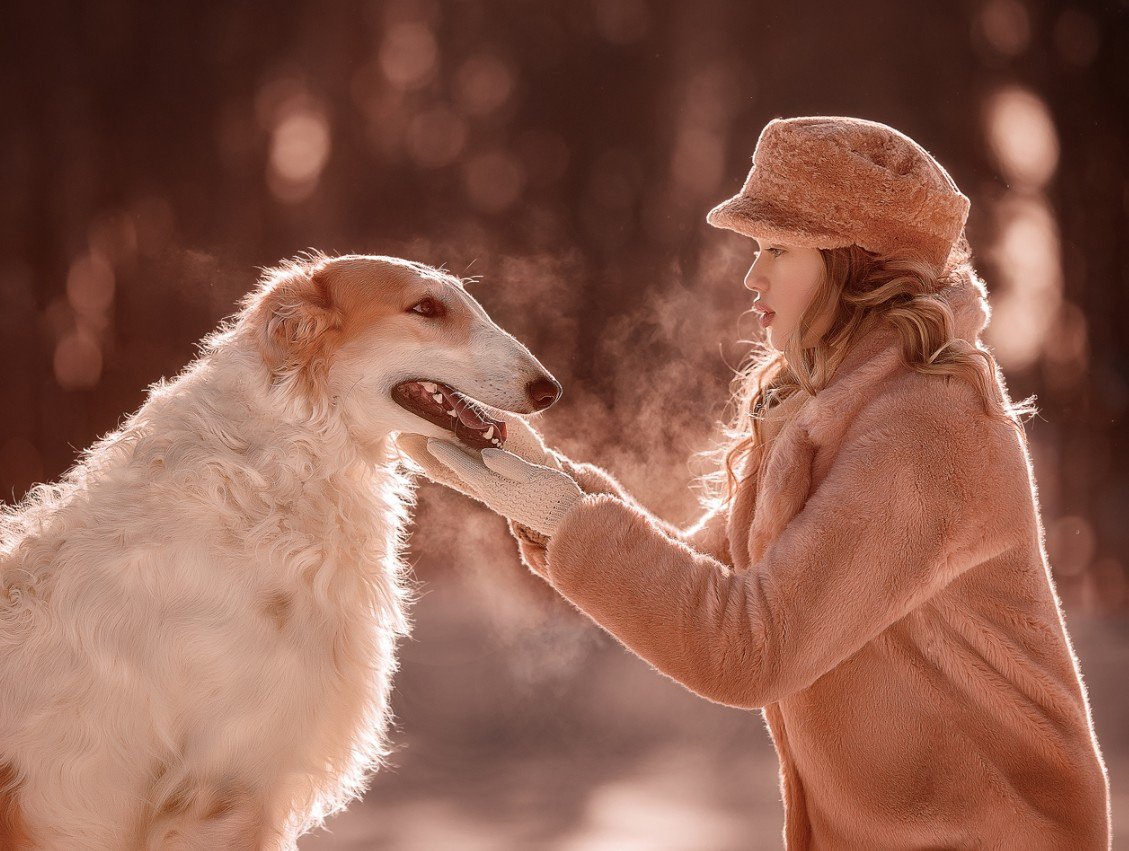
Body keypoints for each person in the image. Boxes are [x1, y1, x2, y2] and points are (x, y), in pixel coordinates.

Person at [397, 116, 1111, 849]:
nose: (750, 275)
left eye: (775, 249)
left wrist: (568, 517)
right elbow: (707, 574)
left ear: (853, 263)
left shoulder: (925, 430)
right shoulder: (826, 410)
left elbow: (749, 645)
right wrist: (544, 482)